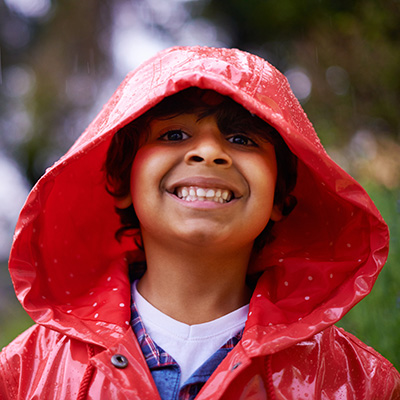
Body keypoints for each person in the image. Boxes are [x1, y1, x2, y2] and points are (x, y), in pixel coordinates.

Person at [0, 46, 399, 399]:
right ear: (123, 181)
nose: (209, 153)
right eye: (174, 134)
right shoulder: (23, 374)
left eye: (242, 139)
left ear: (280, 197)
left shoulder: (362, 384)